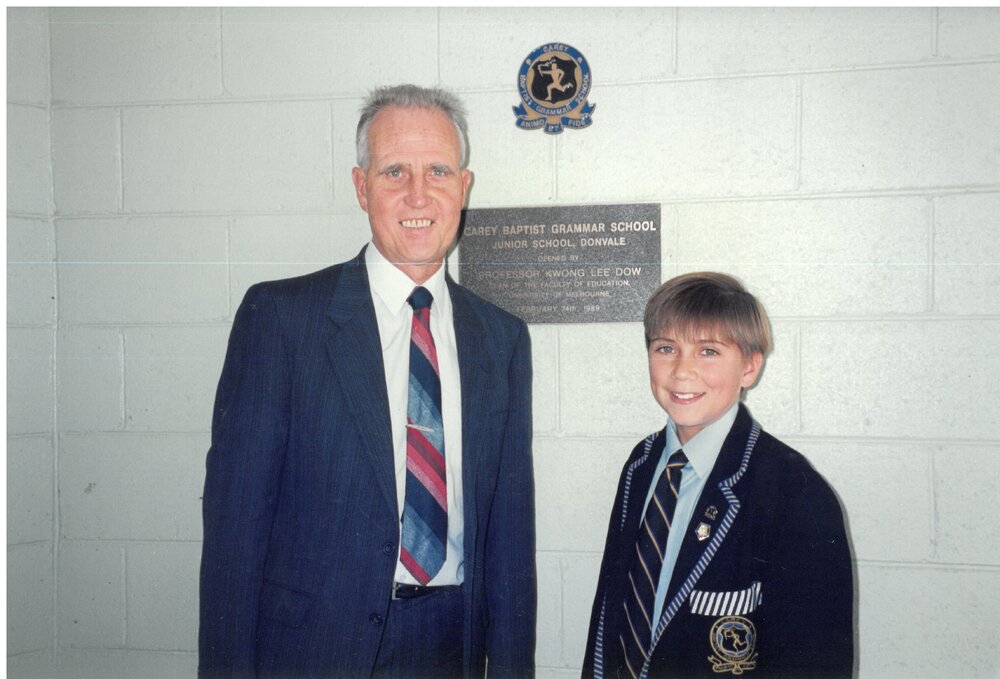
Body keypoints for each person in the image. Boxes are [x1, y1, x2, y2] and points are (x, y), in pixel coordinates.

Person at [199, 84, 536, 678]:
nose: (418, 193)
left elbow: (509, 538)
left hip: (450, 648)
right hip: (313, 651)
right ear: (361, 187)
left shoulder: (502, 338)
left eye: (438, 171)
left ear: (463, 186)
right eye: (394, 171)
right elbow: (235, 531)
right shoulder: (281, 319)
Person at [582, 272, 853, 678]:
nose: (682, 371)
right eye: (666, 348)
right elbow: (609, 616)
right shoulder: (641, 464)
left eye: (708, 351)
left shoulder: (794, 492)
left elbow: (816, 665)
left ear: (749, 368)